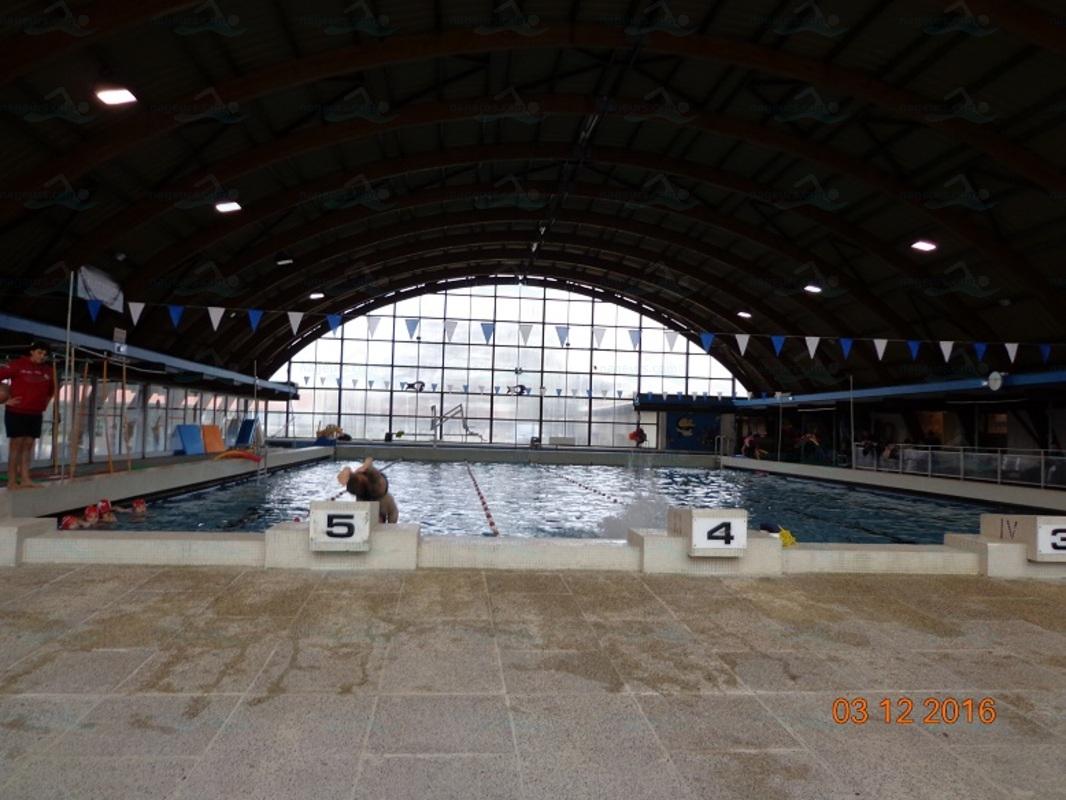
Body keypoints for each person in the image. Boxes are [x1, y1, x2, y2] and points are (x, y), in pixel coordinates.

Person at [0, 342, 55, 490]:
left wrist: (44, 405)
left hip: (35, 414)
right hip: (16, 412)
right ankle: (11, 481)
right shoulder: (18, 365)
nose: (42, 356)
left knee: (28, 446)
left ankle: (25, 479)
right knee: (16, 445)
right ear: (31, 352)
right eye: (39, 353)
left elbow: (51, 391)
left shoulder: (48, 371)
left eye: (44, 354)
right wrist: (5, 400)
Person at [336, 457, 399, 523]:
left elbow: (369, 461)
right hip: (371, 495)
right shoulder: (373, 478)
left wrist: (348, 470)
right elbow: (369, 460)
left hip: (378, 496)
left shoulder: (376, 482)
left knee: (390, 513)